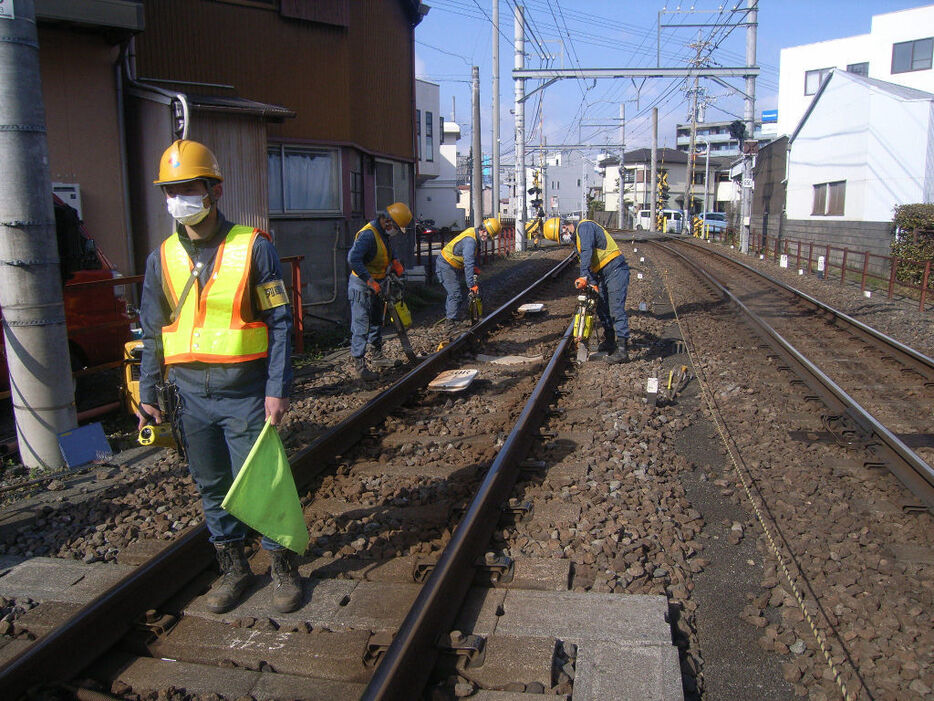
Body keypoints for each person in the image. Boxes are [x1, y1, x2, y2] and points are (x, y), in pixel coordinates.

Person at [137, 139, 302, 614]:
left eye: (188, 187)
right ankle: (234, 570)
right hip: (190, 398)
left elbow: (279, 323)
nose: (178, 199)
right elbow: (152, 331)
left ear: (215, 190)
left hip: (246, 394)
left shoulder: (253, 247)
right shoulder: (161, 258)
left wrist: (277, 389)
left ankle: (283, 569)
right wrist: (149, 390)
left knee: (263, 483)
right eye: (170, 190)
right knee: (211, 486)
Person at [543, 217, 631, 363]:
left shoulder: (584, 227)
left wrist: (583, 276)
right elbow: (589, 262)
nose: (563, 238)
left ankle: (622, 351)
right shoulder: (576, 241)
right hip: (603, 273)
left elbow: (587, 252)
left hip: (615, 269)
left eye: (561, 236)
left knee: (616, 309)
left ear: (564, 227)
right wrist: (592, 282)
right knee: (602, 309)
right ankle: (610, 342)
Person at [346, 203, 412, 380]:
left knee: (376, 320)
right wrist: (369, 280)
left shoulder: (383, 234)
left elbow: (388, 252)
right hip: (361, 285)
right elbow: (353, 260)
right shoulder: (368, 235)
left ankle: (377, 356)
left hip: (377, 284)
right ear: (388, 221)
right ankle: (359, 366)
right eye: (396, 228)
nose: (396, 231)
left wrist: (396, 262)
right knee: (361, 325)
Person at [436, 218, 502, 332]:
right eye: (490, 237)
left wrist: (474, 271)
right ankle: (450, 325)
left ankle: (453, 318)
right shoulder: (470, 241)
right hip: (445, 265)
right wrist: (471, 285)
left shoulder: (474, 235)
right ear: (484, 231)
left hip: (453, 265)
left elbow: (472, 258)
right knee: (455, 294)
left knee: (456, 294)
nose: (488, 240)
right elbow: (468, 263)